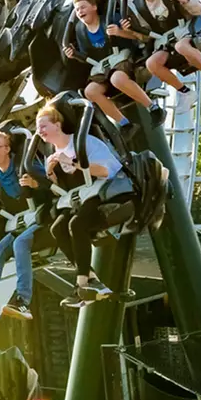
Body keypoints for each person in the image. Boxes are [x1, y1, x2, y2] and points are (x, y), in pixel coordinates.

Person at [35, 101, 128, 302]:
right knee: (57, 229)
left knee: (76, 225)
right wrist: (50, 172)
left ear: (57, 125)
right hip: (79, 197)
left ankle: (81, 284)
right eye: (37, 128)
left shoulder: (85, 142)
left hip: (103, 192)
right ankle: (92, 279)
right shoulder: (51, 155)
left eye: (43, 126)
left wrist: (72, 163)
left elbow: (106, 170)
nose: (39, 131)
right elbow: (61, 187)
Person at [0, 128, 45, 315]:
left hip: (42, 215)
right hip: (21, 221)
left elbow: (53, 184)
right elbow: (2, 209)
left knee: (20, 244)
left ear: (7, 148)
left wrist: (36, 184)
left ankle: (23, 300)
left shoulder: (24, 165)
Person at [62, 0, 153, 125]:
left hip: (123, 58)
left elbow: (138, 36)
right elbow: (86, 55)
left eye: (83, 7)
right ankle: (124, 123)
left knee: (117, 79)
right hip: (104, 66)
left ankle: (152, 107)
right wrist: (74, 55)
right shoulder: (80, 30)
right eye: (77, 9)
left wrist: (119, 32)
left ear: (94, 7)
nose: (80, 11)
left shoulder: (110, 19)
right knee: (90, 91)